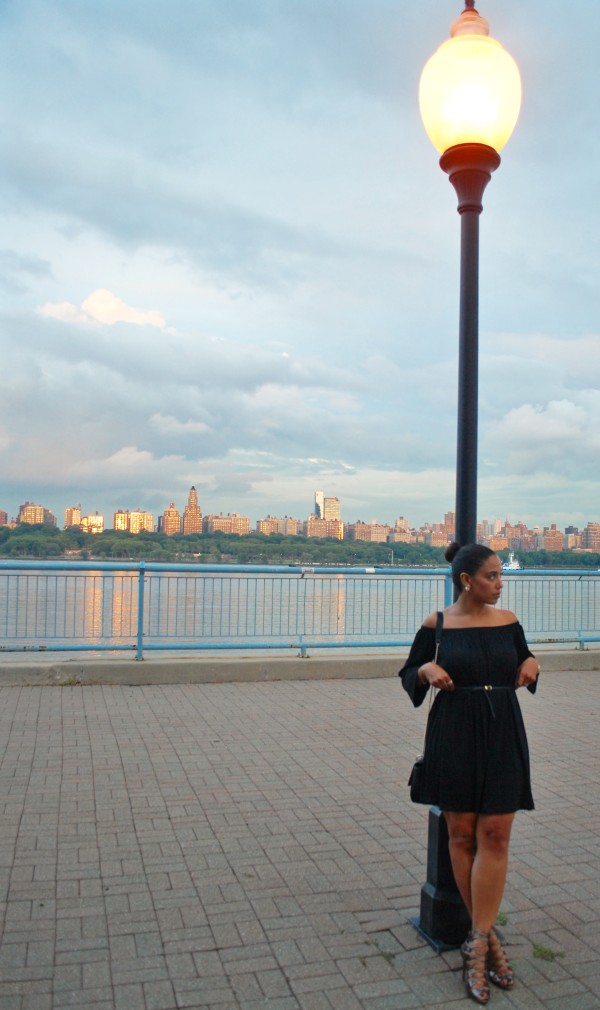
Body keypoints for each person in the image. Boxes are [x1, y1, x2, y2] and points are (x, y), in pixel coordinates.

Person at [399, 542, 539, 1005]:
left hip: (502, 729)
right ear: (466, 581)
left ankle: (477, 940)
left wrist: (532, 663)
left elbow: (526, 659)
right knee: (460, 834)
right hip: (454, 730)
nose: (500, 584)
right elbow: (408, 672)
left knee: (495, 833)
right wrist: (426, 670)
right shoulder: (436, 625)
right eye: (492, 577)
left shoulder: (509, 622)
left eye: (501, 576)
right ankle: (486, 939)